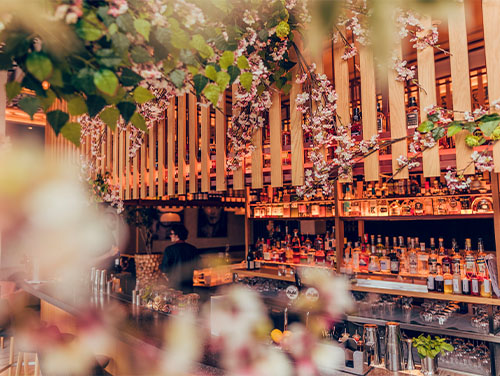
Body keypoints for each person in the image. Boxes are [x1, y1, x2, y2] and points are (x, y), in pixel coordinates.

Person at [160, 224, 199, 291]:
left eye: (172, 234)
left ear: (177, 235)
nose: (170, 236)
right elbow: (197, 265)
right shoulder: (193, 249)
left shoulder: (169, 250)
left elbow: (165, 269)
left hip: (174, 285)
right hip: (188, 284)